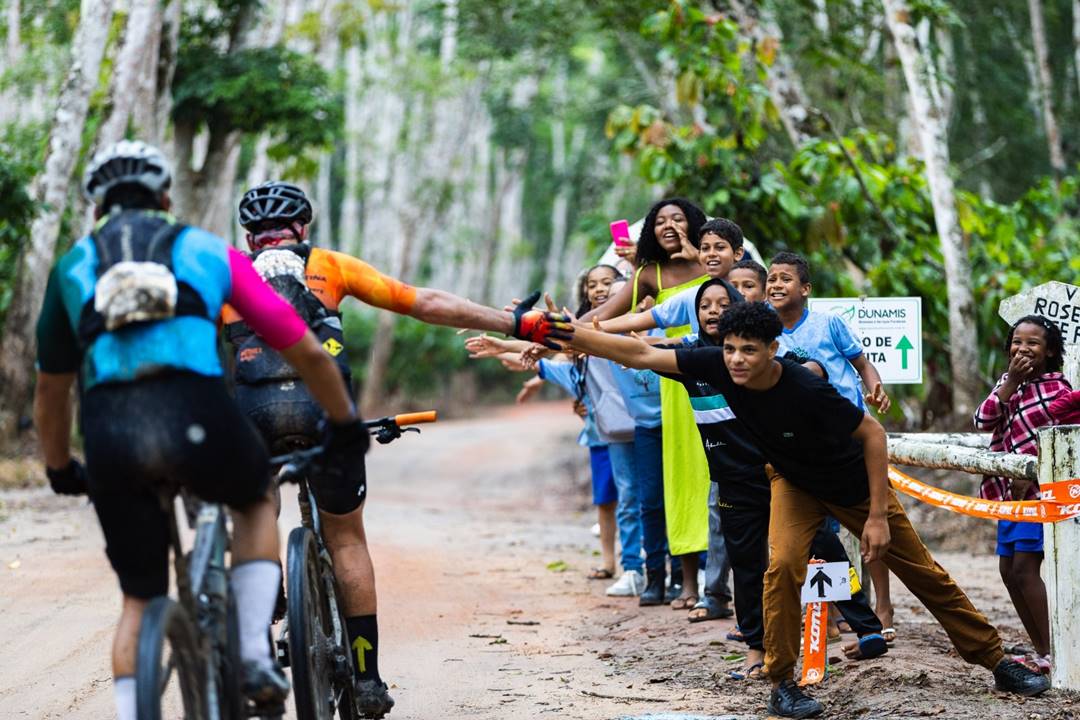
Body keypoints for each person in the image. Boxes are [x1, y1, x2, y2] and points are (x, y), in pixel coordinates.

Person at [545, 301, 1049, 716]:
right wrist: (569, 335)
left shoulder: (805, 386)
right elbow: (638, 352)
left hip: (852, 484)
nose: (737, 360)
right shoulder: (718, 364)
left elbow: (873, 435)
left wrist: (876, 516)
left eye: (749, 351)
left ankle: (996, 660)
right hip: (791, 482)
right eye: (731, 349)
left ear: (773, 350)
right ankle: (783, 683)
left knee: (922, 572)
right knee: (782, 566)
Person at [33, 141, 369, 720]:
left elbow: (51, 390)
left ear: (95, 209)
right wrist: (344, 422)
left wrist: (61, 467)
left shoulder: (72, 266)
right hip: (197, 413)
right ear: (166, 196)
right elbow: (306, 349)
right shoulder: (206, 250)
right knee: (256, 503)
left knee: (139, 600)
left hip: (110, 428)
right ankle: (252, 654)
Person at [223, 181, 567, 717]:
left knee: (255, 509)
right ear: (303, 231)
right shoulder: (329, 266)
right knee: (345, 537)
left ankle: (266, 598)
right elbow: (423, 302)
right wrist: (514, 322)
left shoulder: (226, 274)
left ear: (249, 237)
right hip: (324, 409)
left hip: (251, 416)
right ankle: (366, 680)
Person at [545, 283, 887, 680]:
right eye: (703, 305)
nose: (711, 310)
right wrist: (568, 332)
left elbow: (809, 369)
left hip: (781, 477)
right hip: (732, 481)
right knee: (745, 565)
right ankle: (756, 652)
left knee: (825, 549)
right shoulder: (693, 360)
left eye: (722, 304)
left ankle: (866, 627)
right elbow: (638, 352)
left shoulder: (765, 357)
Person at [579, 198, 711, 608]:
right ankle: (670, 577)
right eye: (660, 221)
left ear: (695, 224)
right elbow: (603, 316)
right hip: (672, 387)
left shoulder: (715, 268)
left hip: (720, 382)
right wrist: (548, 332)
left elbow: (737, 301)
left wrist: (701, 259)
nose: (669, 225)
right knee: (668, 489)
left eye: (679, 218)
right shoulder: (649, 274)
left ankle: (715, 576)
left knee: (717, 485)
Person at [766, 250, 897, 641]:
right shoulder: (765, 333)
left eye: (785, 278)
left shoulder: (828, 324)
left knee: (869, 522)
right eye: (771, 278)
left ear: (805, 289)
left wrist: (875, 386)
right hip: (803, 446)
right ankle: (832, 609)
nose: (775, 284)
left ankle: (884, 603)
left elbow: (861, 364)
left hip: (849, 436)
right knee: (820, 534)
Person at [974, 315, 1069, 674]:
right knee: (1007, 570)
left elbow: (1060, 441)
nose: (1023, 349)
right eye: (1017, 342)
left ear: (1050, 352)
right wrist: (1010, 382)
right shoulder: (1007, 385)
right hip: (1006, 496)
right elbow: (982, 422)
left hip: (1038, 498)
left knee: (1025, 569)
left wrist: (1029, 473)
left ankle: (1053, 653)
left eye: (1033, 343)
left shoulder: (1059, 389)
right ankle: (1041, 648)